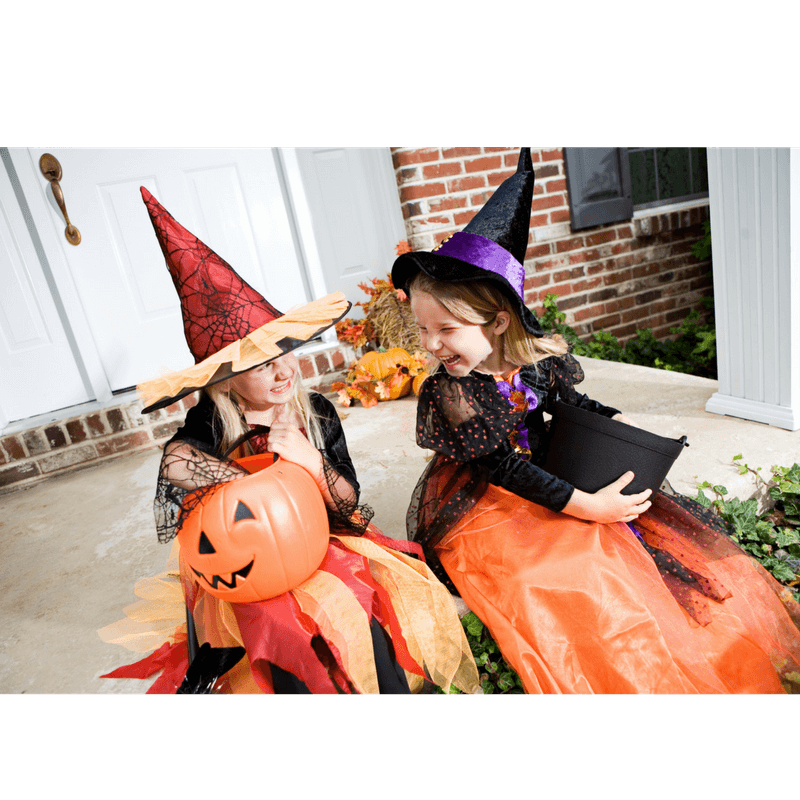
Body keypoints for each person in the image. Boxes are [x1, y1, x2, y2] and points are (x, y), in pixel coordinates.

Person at [391, 147, 800, 695]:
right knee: (567, 571)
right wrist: (587, 506)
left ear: (498, 322)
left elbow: (572, 408)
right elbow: (505, 469)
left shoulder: (537, 363)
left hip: (556, 469)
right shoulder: (451, 392)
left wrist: (613, 419)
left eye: (446, 329)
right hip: (491, 496)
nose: (432, 344)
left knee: (650, 538)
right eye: (423, 331)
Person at [99, 187, 478, 695]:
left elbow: (347, 502)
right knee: (276, 637)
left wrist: (304, 460)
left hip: (322, 542)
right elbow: (176, 464)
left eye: (285, 351)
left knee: (363, 609)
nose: (281, 371)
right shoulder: (214, 420)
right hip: (247, 566)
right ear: (227, 379)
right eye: (259, 364)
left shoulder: (314, 412)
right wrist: (260, 482)